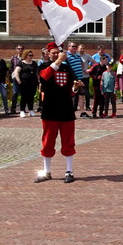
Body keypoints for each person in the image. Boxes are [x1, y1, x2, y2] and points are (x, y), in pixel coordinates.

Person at [35, 42, 81, 184]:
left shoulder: (67, 68)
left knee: (68, 141)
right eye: (53, 53)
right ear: (48, 54)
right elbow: (44, 77)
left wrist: (75, 88)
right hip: (50, 109)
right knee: (48, 141)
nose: (56, 55)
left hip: (66, 109)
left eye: (58, 52)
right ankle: (47, 171)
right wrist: (58, 61)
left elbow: (69, 90)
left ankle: (69, 170)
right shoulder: (43, 67)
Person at [14, 49, 40, 117]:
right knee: (24, 97)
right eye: (30, 55)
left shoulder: (34, 63)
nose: (31, 57)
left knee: (31, 96)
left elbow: (37, 72)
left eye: (32, 55)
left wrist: (38, 80)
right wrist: (19, 81)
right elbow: (16, 72)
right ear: (26, 55)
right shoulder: (21, 63)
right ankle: (22, 111)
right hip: (24, 83)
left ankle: (31, 110)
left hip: (33, 83)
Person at [8, 45, 24, 113]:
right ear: (16, 49)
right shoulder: (13, 58)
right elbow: (11, 68)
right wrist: (12, 76)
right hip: (15, 77)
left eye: (21, 49)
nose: (20, 50)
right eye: (19, 49)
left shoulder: (25, 57)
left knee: (23, 93)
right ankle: (13, 108)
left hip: (23, 77)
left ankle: (22, 108)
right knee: (15, 93)